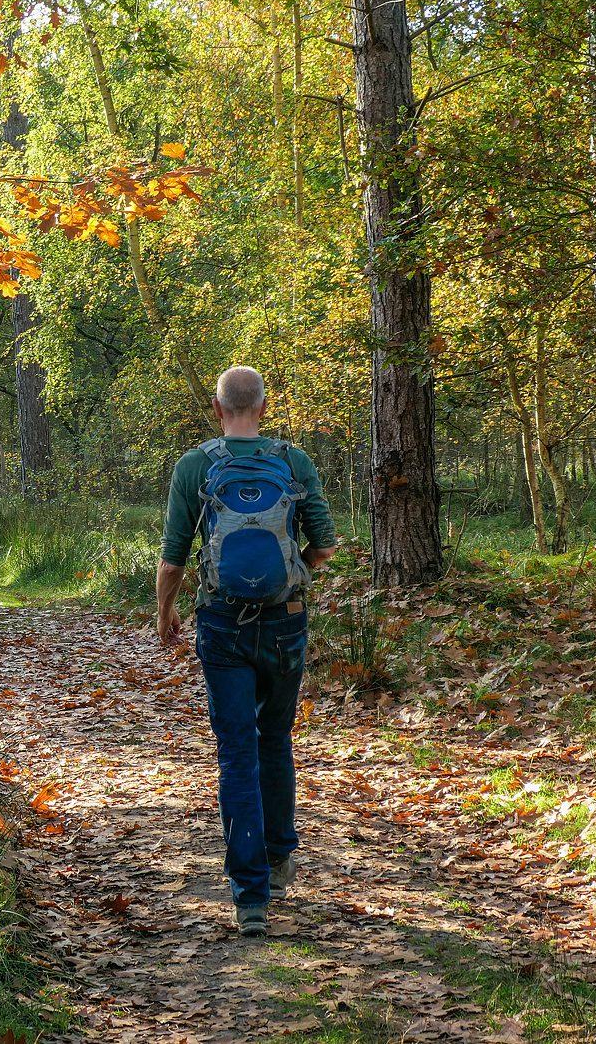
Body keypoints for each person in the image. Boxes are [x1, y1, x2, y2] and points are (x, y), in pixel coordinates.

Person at [155, 366, 338, 938]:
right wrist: (295, 574)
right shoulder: (294, 460)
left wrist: (165, 612)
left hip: (222, 623)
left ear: (217, 408)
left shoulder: (195, 465)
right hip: (285, 623)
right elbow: (326, 544)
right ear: (263, 407)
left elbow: (173, 554)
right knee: (274, 738)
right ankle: (281, 857)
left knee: (236, 752)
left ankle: (249, 898)